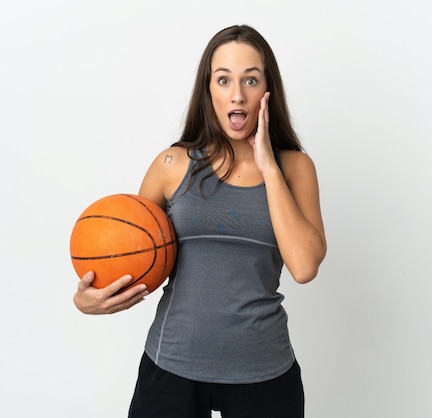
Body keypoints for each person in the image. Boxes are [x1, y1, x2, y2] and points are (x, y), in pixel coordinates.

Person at [73, 24, 327, 418]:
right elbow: (131, 256)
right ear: (208, 90)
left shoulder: (294, 169)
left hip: (263, 371)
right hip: (171, 366)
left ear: (267, 91)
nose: (237, 94)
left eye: (251, 80)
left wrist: (268, 169)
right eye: (223, 79)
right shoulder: (172, 165)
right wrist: (87, 299)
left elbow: (305, 266)